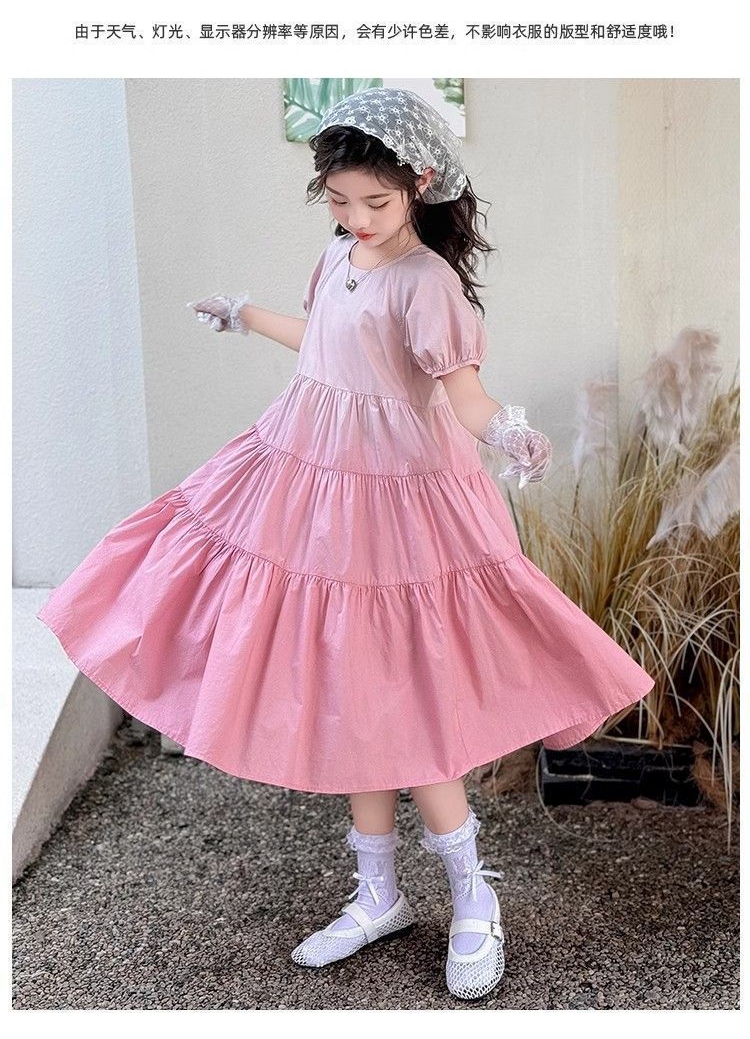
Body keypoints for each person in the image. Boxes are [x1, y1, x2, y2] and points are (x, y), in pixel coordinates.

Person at [37, 86, 655, 1002]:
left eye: (375, 201)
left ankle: (473, 895)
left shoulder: (428, 283)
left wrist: (509, 432)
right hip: (310, 481)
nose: (356, 217)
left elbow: (464, 395)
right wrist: (246, 314)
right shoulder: (339, 254)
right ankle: (378, 895)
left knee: (411, 695)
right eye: (338, 199)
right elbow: (324, 343)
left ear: (421, 185)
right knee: (351, 690)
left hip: (399, 499)